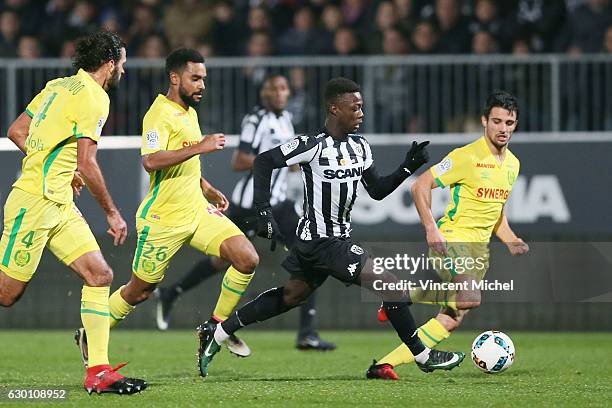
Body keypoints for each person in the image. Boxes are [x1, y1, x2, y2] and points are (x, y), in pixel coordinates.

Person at [196, 77, 466, 378]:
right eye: (356, 108)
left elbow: (376, 190)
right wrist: (263, 209)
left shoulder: (360, 147)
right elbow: (263, 161)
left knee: (291, 296)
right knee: (390, 285)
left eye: (362, 107)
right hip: (323, 241)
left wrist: (406, 167)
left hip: (325, 242)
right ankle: (422, 353)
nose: (361, 114)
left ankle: (219, 334)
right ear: (335, 109)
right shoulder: (312, 145)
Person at [74, 48, 260, 368]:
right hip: (163, 220)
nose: (202, 85)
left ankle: (215, 327)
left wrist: (206, 188)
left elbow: (185, 157)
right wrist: (202, 146)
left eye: (204, 79)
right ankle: (91, 331)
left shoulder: (189, 111)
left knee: (247, 258)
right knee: (140, 290)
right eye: (195, 78)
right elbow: (151, 160)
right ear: (175, 78)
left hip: (196, 211)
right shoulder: (157, 114)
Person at [0, 30, 146, 395]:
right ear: (110, 63)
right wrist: (112, 212)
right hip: (34, 203)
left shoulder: (59, 85)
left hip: (59, 202)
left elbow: (18, 130)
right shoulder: (96, 98)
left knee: (99, 275)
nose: (124, 72)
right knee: (6, 295)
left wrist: (60, 170)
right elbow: (89, 162)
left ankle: (98, 371)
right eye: (123, 64)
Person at [155, 74, 336, 351]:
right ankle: (302, 332)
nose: (279, 92)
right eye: (273, 87)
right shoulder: (256, 119)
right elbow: (239, 161)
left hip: (279, 203)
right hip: (253, 204)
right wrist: (275, 161)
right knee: (234, 259)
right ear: (264, 93)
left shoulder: (286, 120)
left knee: (302, 252)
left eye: (284, 87)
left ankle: (172, 293)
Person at [367, 90, 529, 380]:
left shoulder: (513, 165)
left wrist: (512, 240)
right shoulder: (466, 157)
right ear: (484, 121)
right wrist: (431, 228)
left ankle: (383, 365)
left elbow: (496, 214)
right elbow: (420, 186)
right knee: (469, 296)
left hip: (480, 251)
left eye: (510, 122)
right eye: (497, 121)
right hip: (453, 239)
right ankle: (400, 293)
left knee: (452, 318)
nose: (503, 129)